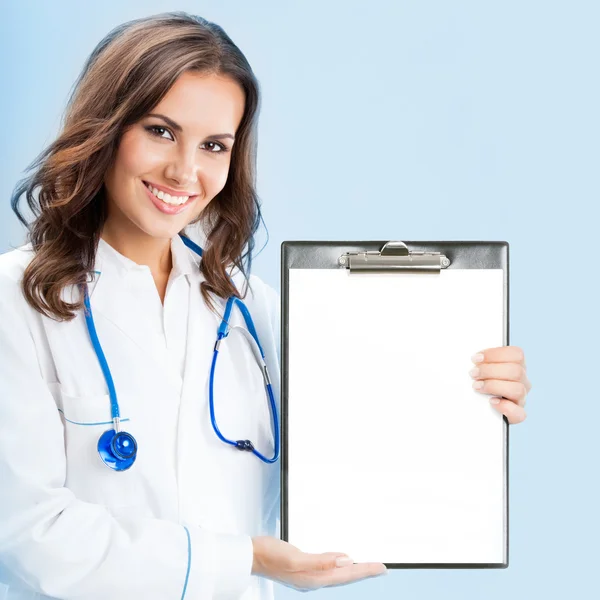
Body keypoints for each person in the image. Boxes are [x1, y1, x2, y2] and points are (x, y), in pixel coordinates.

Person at [0, 11, 531, 600]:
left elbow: (353, 457)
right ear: (106, 128)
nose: (185, 170)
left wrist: (469, 397)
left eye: (214, 145)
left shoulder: (254, 315)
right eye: (160, 130)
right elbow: (29, 536)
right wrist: (243, 558)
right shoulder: (16, 302)